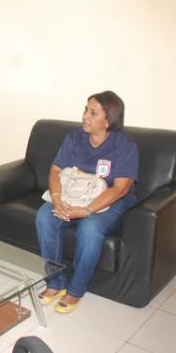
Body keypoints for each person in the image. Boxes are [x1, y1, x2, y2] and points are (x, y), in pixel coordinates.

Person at [35, 91, 138, 313]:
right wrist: (56, 199)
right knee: (44, 217)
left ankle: (76, 290)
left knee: (90, 227)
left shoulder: (124, 145)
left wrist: (87, 211)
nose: (85, 116)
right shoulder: (74, 137)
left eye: (93, 113)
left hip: (110, 198)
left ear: (108, 120)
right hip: (74, 193)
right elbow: (55, 171)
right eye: (85, 110)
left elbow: (121, 188)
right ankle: (55, 282)